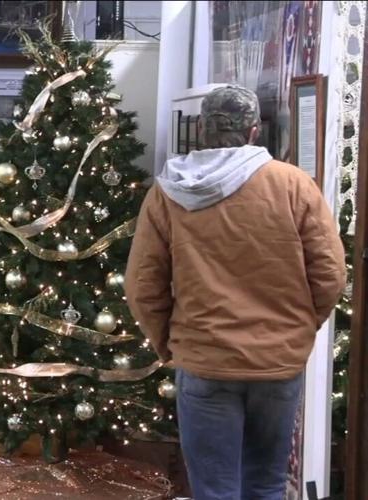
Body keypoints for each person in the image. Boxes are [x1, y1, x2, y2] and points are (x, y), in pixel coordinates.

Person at [124, 85, 346, 500]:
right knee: (266, 484)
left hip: (205, 360)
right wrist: (297, 329)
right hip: (277, 361)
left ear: (202, 130)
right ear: (254, 131)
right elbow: (331, 274)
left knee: (214, 489)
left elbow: (142, 285)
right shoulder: (292, 184)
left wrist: (168, 344)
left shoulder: (168, 192)